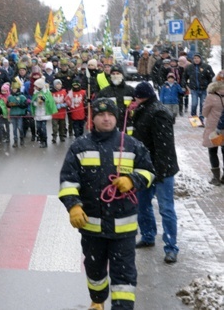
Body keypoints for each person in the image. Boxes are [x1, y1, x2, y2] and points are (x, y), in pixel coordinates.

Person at [59, 98, 154, 310]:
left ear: (116, 117)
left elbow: (149, 172)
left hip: (124, 230)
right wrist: (73, 205)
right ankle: (97, 299)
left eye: (110, 114)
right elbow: (68, 181)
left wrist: (133, 180)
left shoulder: (131, 145)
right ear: (93, 119)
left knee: (124, 277)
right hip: (92, 229)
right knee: (95, 271)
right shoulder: (80, 147)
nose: (106, 118)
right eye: (101, 115)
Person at [131, 81, 180, 264]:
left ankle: (171, 247)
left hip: (161, 169)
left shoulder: (157, 112)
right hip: (145, 168)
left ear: (141, 96)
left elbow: (164, 147)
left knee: (166, 208)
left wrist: (159, 171)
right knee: (142, 204)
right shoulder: (144, 109)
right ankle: (148, 236)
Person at [96, 65, 135, 133]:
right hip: (111, 126)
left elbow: (138, 105)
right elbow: (98, 108)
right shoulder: (104, 92)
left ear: (122, 75)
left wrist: (132, 110)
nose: (115, 76)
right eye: (113, 74)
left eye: (118, 73)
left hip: (128, 125)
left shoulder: (130, 91)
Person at [201, 71, 224, 185]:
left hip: (213, 128)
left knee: (213, 151)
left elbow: (204, 112)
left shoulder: (211, 96)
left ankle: (216, 178)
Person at [183, 53, 215, 124]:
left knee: (202, 105)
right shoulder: (189, 67)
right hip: (194, 89)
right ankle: (194, 120)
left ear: (200, 59)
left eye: (197, 58)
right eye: (195, 58)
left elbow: (211, 76)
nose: (196, 60)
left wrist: (209, 85)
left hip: (203, 89)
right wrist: (185, 85)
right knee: (194, 104)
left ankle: (201, 120)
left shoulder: (206, 67)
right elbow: (184, 77)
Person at [31, 78, 56, 148]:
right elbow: (33, 102)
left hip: (44, 113)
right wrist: (35, 103)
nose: (35, 87)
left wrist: (44, 100)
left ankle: (45, 141)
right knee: (38, 128)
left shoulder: (47, 92)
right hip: (38, 113)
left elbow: (50, 101)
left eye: (36, 86)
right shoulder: (35, 92)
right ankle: (41, 140)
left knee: (43, 128)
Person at [7, 80, 27, 147]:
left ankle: (22, 138)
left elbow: (25, 105)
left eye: (15, 89)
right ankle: (15, 141)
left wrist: (18, 104)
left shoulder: (22, 97)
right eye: (13, 89)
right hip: (13, 114)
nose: (14, 90)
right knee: (14, 128)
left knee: (20, 127)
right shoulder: (10, 97)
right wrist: (10, 104)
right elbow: (7, 105)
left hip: (19, 114)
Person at [50, 79, 70, 143]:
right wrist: (54, 106)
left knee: (62, 126)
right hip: (55, 112)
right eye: (57, 84)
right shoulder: (51, 93)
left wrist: (64, 104)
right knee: (55, 126)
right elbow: (50, 102)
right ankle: (54, 137)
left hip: (62, 112)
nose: (58, 86)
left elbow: (67, 100)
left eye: (59, 84)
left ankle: (61, 136)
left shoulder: (64, 92)